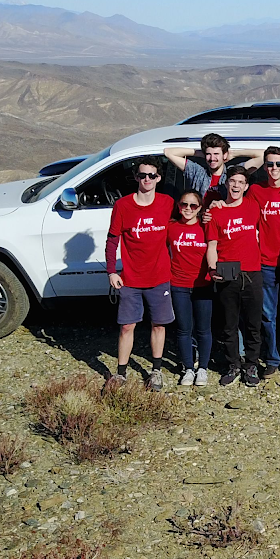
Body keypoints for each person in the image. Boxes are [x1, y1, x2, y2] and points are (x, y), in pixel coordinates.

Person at [105, 157, 175, 390]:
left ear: (159, 178)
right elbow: (112, 240)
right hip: (130, 278)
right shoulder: (123, 206)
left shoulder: (167, 203)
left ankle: (156, 370)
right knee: (127, 326)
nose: (147, 179)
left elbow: (185, 224)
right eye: (143, 175)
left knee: (159, 324)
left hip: (159, 276)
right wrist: (111, 272)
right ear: (136, 177)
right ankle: (121, 373)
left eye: (152, 175)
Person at [205, 166, 264, 386]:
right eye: (233, 181)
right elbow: (212, 245)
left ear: (246, 186)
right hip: (227, 269)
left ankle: (251, 365)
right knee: (229, 324)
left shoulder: (253, 206)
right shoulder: (216, 212)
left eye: (241, 182)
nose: (236, 185)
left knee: (253, 324)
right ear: (227, 183)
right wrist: (212, 269)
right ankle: (233, 364)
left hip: (252, 270)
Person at [251, 146, 280, 379]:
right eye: (269, 164)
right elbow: (235, 202)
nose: (274, 169)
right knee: (268, 315)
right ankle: (271, 358)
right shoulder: (256, 191)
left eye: (279, 164)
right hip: (265, 262)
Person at [167, 188, 214, 386]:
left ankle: (202, 368)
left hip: (203, 284)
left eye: (193, 205)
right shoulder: (171, 227)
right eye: (184, 205)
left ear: (200, 208)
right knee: (183, 329)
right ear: (178, 206)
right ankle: (188, 368)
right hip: (179, 284)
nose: (188, 209)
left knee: (203, 329)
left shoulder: (206, 227)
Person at [163, 133, 255, 201]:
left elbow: (262, 155)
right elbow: (168, 152)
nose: (212, 158)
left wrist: (234, 154)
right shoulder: (197, 172)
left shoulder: (234, 173)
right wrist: (199, 153)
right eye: (208, 154)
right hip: (200, 222)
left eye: (216, 154)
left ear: (224, 155)